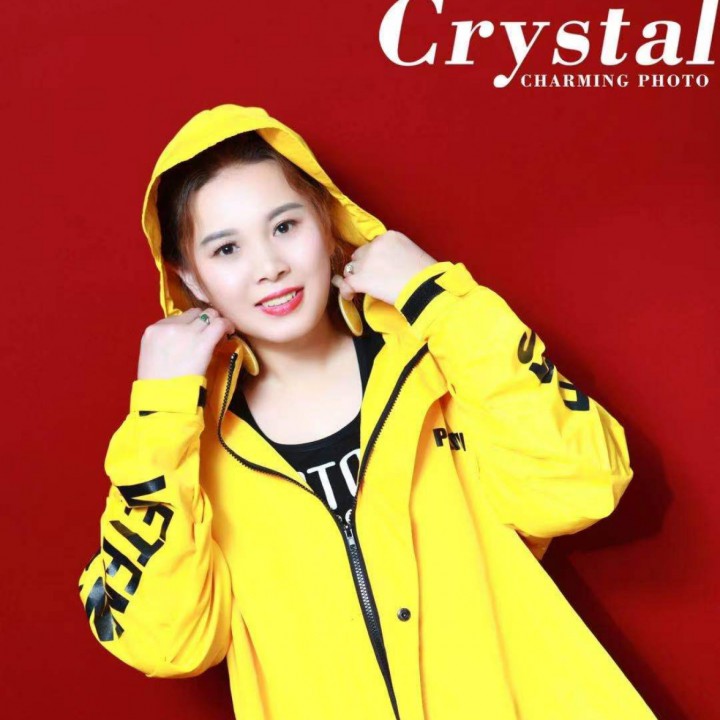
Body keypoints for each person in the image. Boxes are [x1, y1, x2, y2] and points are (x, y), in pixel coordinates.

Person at [78, 103, 657, 719]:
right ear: (191, 279)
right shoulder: (186, 448)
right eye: (226, 249)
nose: (270, 267)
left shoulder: (437, 359)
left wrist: (437, 300)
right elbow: (167, 643)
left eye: (284, 226)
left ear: (327, 223)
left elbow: (580, 488)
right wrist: (159, 418)